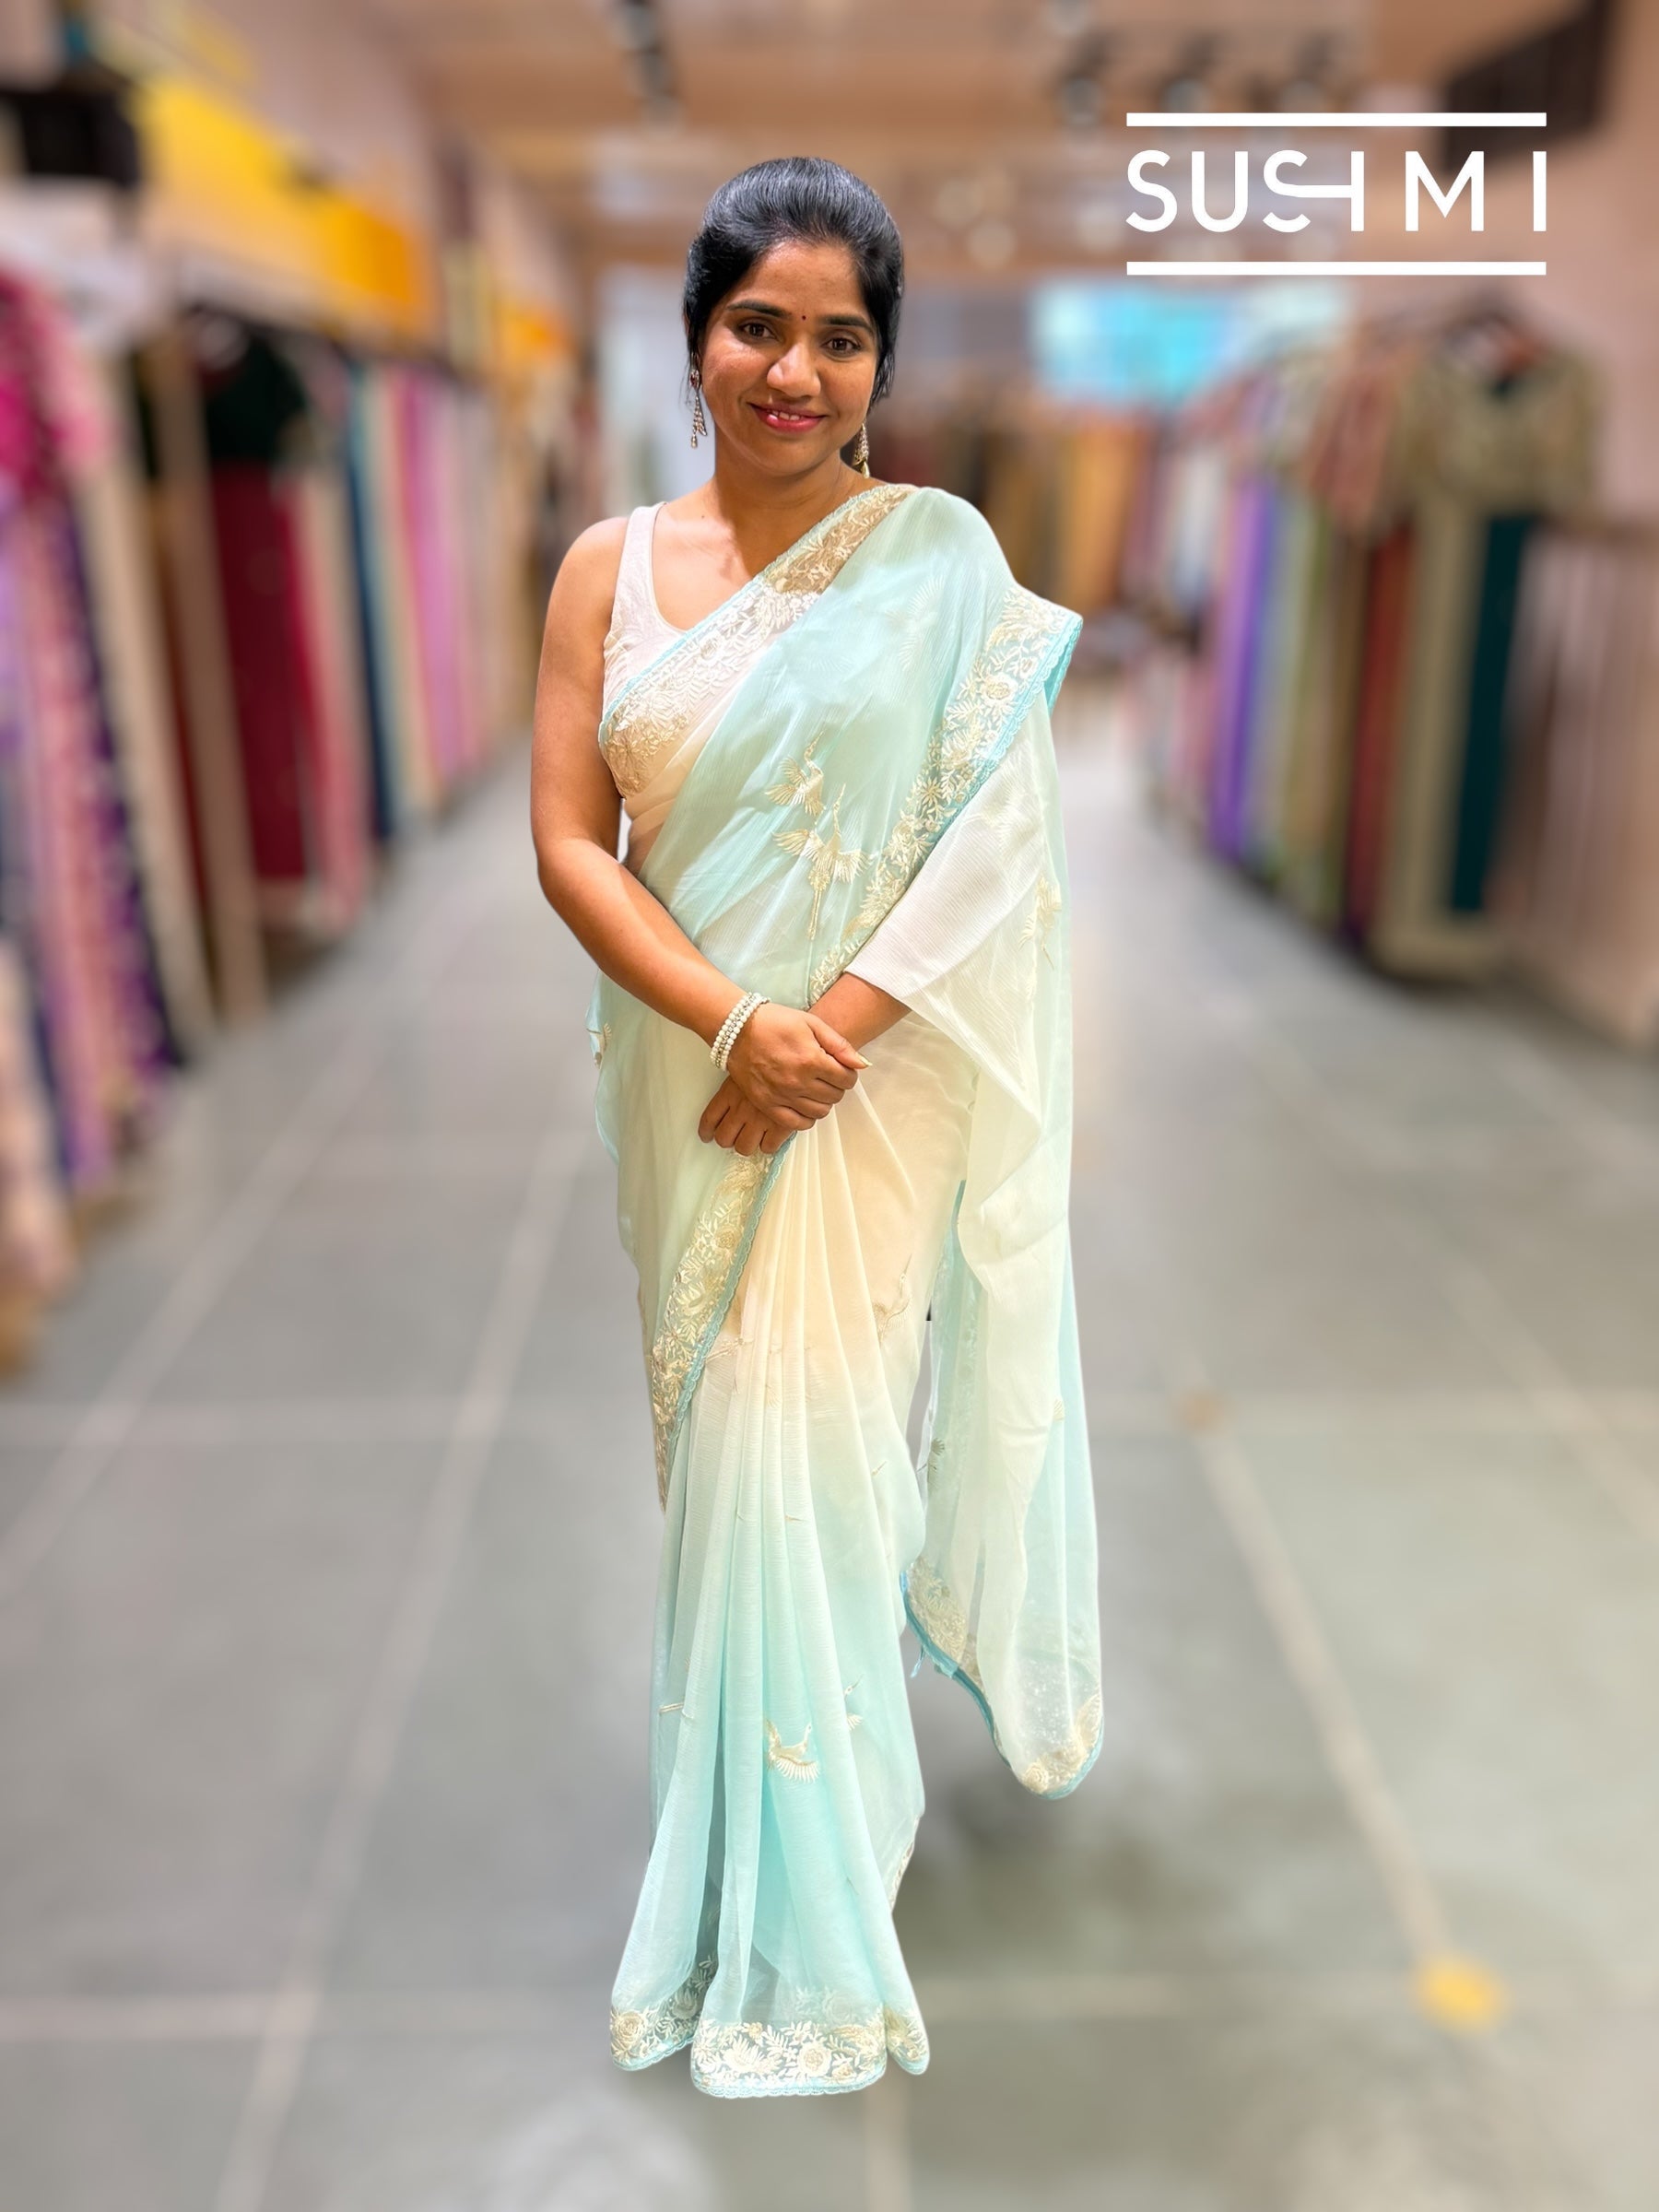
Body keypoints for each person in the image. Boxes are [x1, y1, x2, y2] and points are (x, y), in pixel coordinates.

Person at [532, 156, 1100, 2100]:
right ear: (697, 340)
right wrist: (733, 1022)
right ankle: (747, 1869)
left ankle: (823, 1902)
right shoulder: (606, 568)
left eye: (841, 338)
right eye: (759, 327)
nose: (796, 371)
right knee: (725, 1461)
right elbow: (568, 843)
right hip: (691, 1081)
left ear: (880, 366)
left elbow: (995, 844)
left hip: (861, 1092)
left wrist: (823, 1036)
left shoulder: (938, 559)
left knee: (818, 1452)